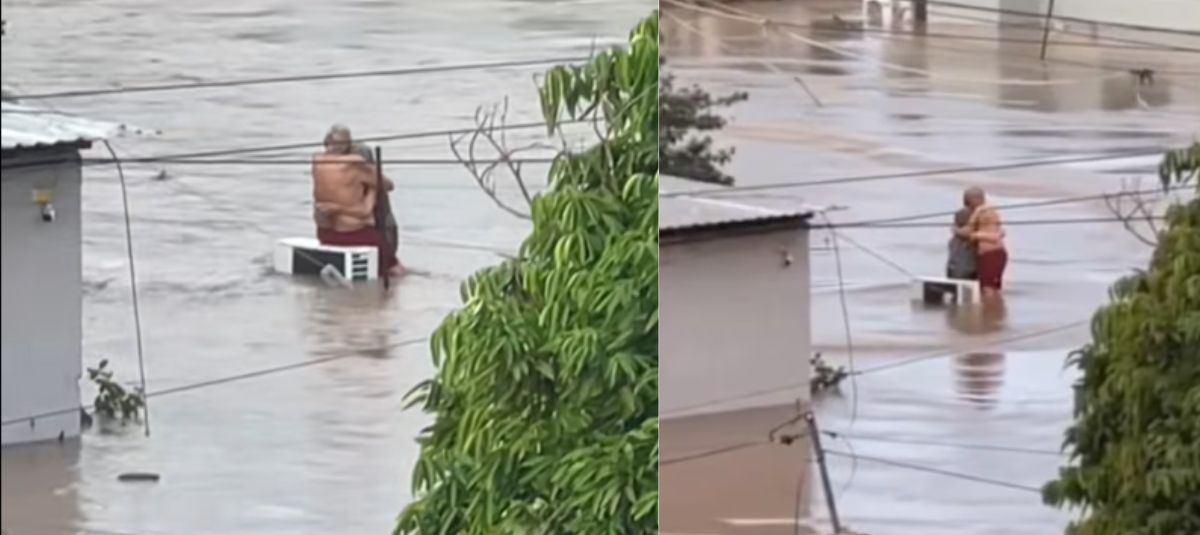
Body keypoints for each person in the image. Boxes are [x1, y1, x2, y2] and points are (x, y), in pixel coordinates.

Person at [312, 126, 403, 278]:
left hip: (326, 235)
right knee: (396, 270)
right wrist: (372, 188)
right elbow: (388, 186)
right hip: (356, 235)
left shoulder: (317, 161)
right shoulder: (355, 165)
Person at [967, 202, 1007, 297]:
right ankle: (994, 306)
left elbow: (995, 237)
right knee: (992, 286)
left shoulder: (991, 229)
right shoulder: (993, 226)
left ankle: (990, 308)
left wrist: (976, 235)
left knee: (987, 287)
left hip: (992, 255)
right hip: (993, 255)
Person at [947, 187, 984, 281]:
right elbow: (967, 232)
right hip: (964, 260)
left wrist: (955, 230)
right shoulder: (967, 213)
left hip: (964, 260)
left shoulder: (981, 214)